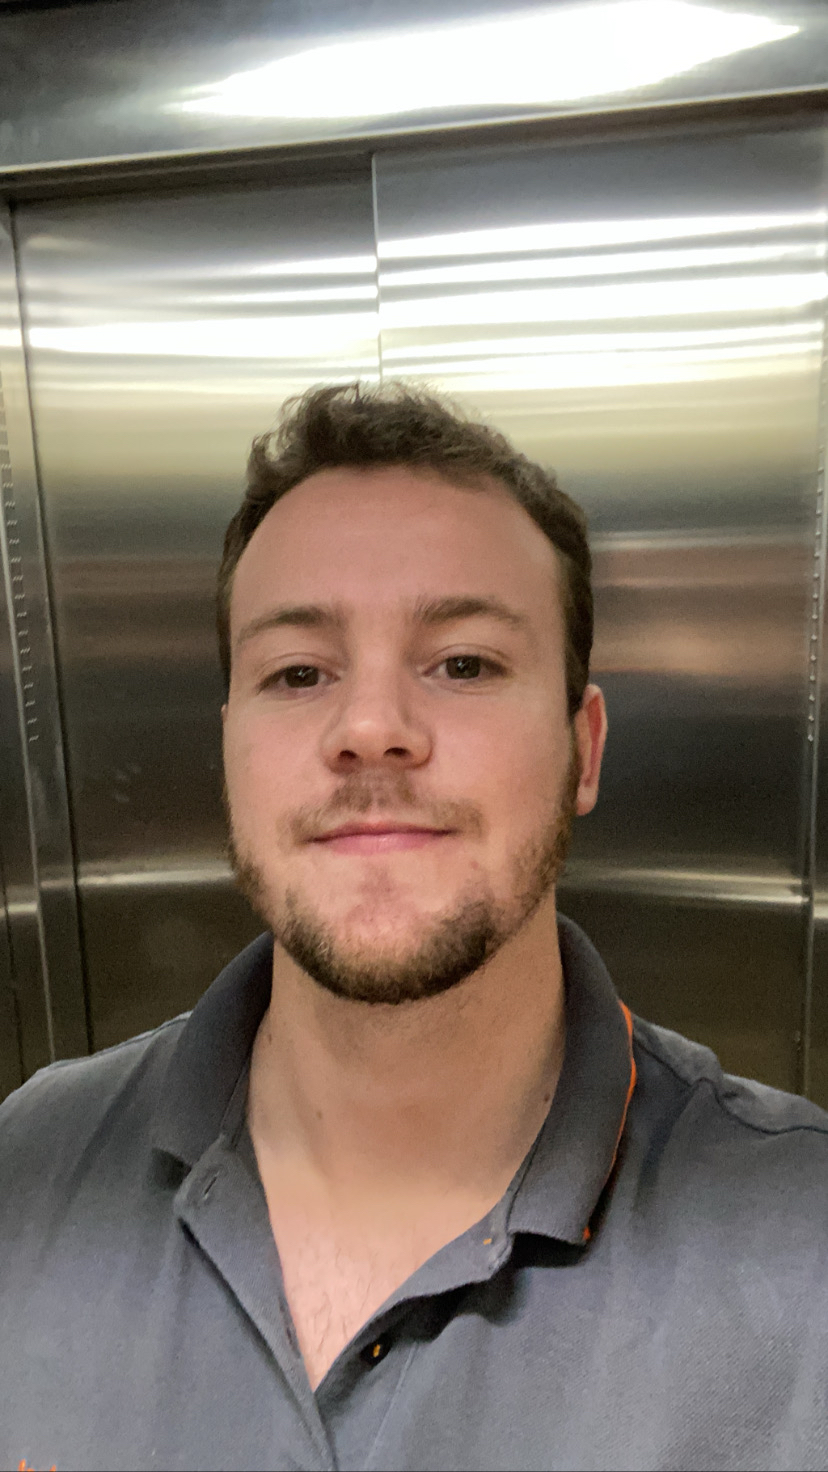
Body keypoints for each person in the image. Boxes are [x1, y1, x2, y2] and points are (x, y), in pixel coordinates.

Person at [2, 381, 827, 1472]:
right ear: (229, 751)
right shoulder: (26, 1169)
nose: (371, 728)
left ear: (583, 750)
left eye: (464, 663)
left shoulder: (803, 1254)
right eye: (299, 672)